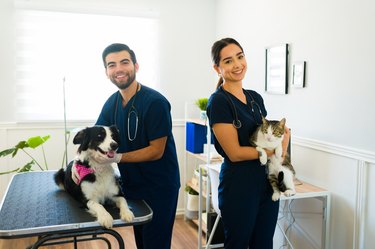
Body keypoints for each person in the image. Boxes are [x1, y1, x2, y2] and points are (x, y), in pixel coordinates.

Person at [73, 43, 180, 249]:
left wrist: (119, 158)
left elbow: (156, 151)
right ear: (106, 72)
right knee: (141, 241)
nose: (118, 69)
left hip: (160, 187)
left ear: (136, 66)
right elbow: (94, 140)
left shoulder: (155, 102)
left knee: (155, 243)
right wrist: (79, 166)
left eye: (124, 62)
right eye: (111, 65)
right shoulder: (111, 104)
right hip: (132, 185)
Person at [206, 38, 290, 249]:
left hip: (267, 183)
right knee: (238, 244)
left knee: (264, 244)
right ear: (218, 68)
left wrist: (282, 144)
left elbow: (275, 146)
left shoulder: (255, 99)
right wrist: (273, 152)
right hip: (239, 187)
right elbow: (234, 153)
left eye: (240, 57)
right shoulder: (219, 102)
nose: (237, 64)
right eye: (228, 61)